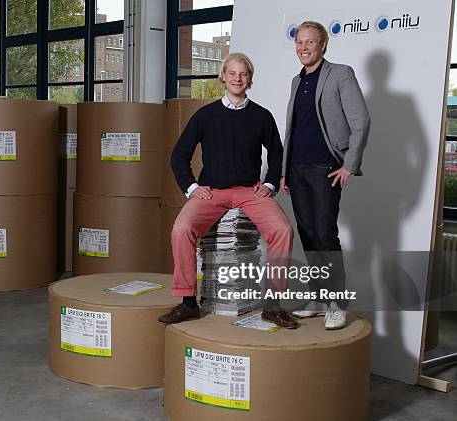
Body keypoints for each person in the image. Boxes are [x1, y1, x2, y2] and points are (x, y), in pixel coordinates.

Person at [158, 52, 297, 328]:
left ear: (250, 80)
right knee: (181, 229)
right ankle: (187, 302)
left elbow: (279, 154)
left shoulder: (261, 116)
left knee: (283, 230)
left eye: (243, 74)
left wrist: (269, 184)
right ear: (222, 76)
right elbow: (179, 156)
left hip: (250, 190)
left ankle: (273, 304)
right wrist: (192, 187)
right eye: (232, 73)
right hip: (212, 192)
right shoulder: (205, 115)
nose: (237, 78)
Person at [281, 21, 371, 329]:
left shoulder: (341, 74)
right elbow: (292, 128)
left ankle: (337, 303)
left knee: (324, 235)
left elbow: (361, 121)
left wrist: (350, 164)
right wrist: (283, 172)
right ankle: (318, 298)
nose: (303, 47)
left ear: (323, 45)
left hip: (325, 169)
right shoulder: (297, 80)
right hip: (296, 170)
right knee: (308, 237)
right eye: (299, 43)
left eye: (309, 42)